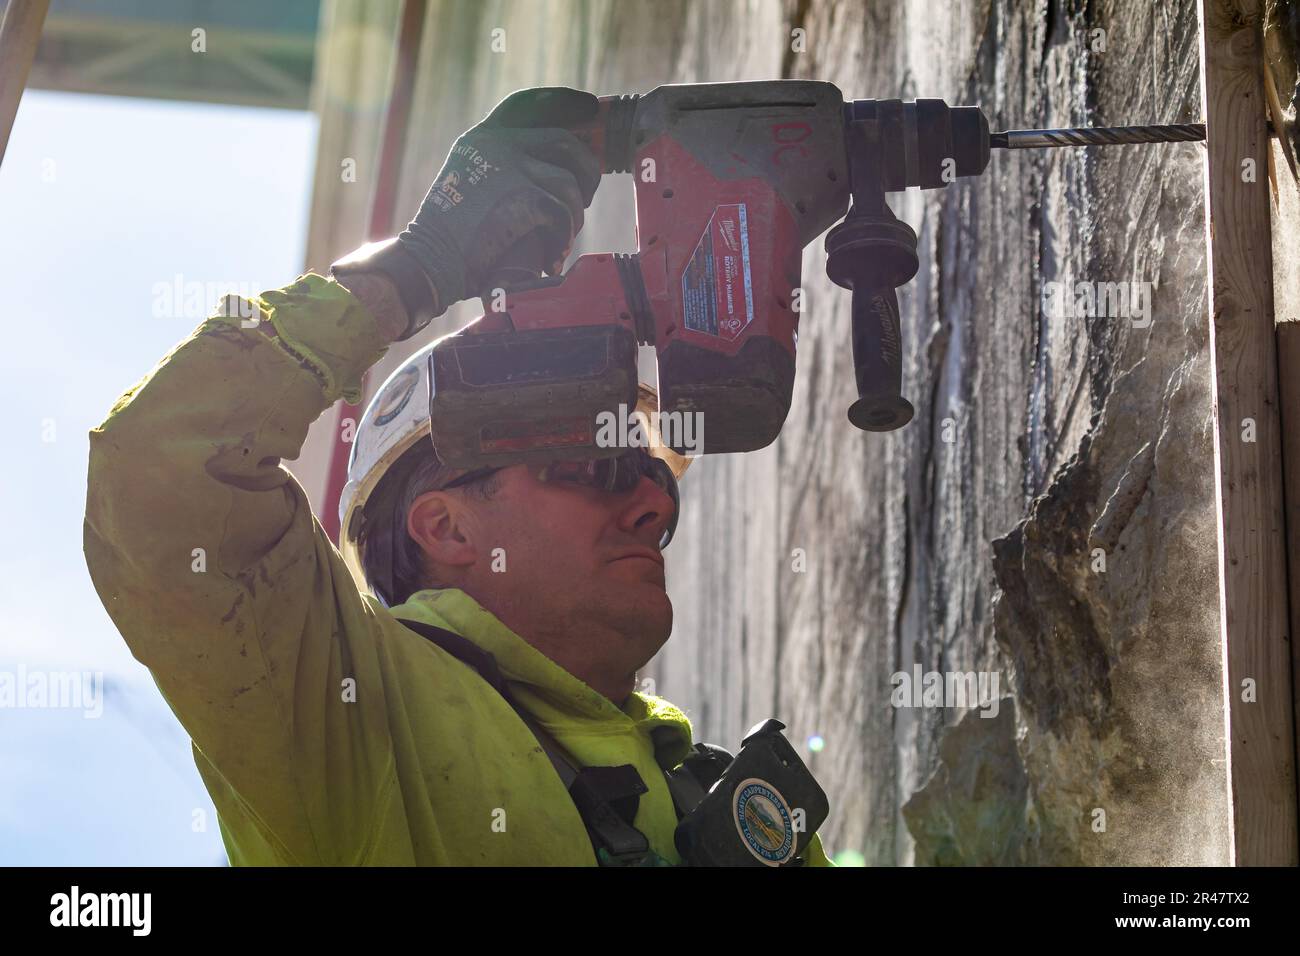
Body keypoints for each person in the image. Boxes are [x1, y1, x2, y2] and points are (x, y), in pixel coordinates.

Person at [84, 87, 832, 866]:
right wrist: (414, 270)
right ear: (445, 526)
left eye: (655, 479)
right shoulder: (349, 724)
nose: (651, 502)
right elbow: (162, 477)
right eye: (599, 467)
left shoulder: (721, 803)